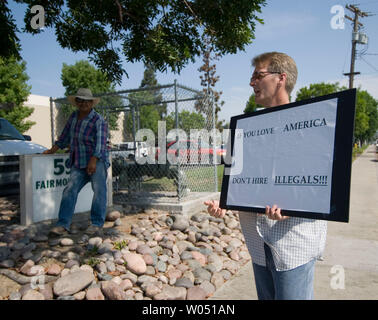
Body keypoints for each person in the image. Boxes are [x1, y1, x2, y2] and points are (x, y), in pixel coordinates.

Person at [204, 52, 327, 300]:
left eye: (258, 76)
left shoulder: (311, 125)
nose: (252, 83)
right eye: (251, 77)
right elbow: (243, 181)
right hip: (258, 245)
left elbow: (319, 186)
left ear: (281, 78)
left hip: (292, 244)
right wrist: (225, 201)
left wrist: (294, 205)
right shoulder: (248, 130)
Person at [43, 88, 110, 237]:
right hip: (78, 161)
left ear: (92, 103)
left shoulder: (98, 120)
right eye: (80, 100)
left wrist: (94, 160)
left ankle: (96, 224)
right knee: (69, 190)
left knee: (99, 191)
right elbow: (64, 136)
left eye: (87, 101)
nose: (83, 103)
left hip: (96, 161)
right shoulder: (73, 117)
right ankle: (62, 224)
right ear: (76, 103)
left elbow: (101, 143)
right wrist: (52, 149)